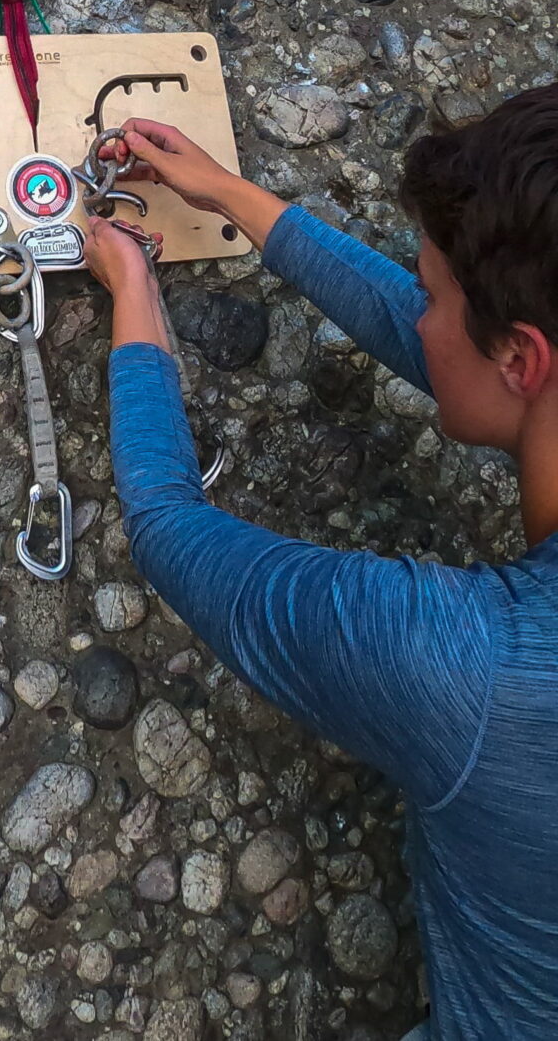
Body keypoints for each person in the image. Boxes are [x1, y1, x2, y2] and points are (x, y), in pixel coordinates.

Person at [83, 86, 558, 1041]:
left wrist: (133, 293)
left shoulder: (470, 668)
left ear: (522, 357)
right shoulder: (514, 360)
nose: (418, 316)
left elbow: (174, 531)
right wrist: (228, 193)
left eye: (431, 295)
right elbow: (451, 353)